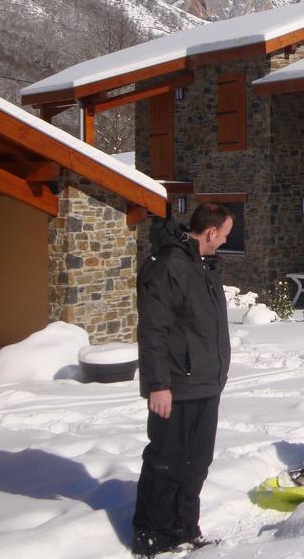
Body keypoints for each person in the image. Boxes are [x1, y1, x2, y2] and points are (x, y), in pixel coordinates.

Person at [131, 203, 233, 558]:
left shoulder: (202, 266)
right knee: (167, 459)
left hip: (206, 383)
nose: (223, 242)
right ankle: (151, 534)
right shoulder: (168, 267)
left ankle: (183, 529)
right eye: (223, 235)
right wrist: (158, 385)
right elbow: (153, 331)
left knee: (196, 461)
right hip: (175, 386)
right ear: (210, 232)